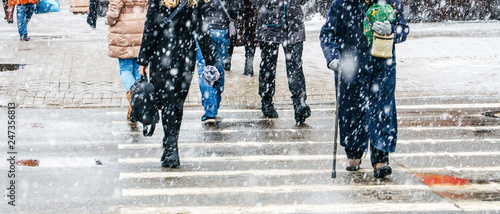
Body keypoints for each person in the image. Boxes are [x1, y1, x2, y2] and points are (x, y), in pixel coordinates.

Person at [319, 0, 409, 178]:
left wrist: (391, 29)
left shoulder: (390, 2)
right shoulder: (342, 4)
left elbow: (403, 29)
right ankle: (354, 153)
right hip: (351, 65)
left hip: (382, 65)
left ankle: (380, 158)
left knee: (382, 108)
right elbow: (328, 33)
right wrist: (332, 57)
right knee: (352, 108)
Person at [137, 0, 216, 168]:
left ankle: (170, 146)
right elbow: (203, 31)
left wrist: (143, 59)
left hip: (162, 54)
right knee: (176, 103)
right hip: (185, 56)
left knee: (167, 102)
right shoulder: (193, 2)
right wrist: (211, 61)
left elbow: (150, 28)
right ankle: (171, 144)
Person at [250, 0, 311, 124]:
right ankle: (266, 99)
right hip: (269, 26)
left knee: (295, 65)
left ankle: (299, 102)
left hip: (293, 24)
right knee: (268, 65)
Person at [193, 0, 237, 124]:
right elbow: (236, 8)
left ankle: (210, 110)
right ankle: (215, 102)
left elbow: (194, 8)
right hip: (223, 30)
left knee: (205, 69)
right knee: (218, 67)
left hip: (205, 29)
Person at [106, 0, 148, 121]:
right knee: (137, 68)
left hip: (123, 30)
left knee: (125, 68)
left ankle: (133, 97)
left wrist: (109, 20)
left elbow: (114, 10)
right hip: (141, 27)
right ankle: (138, 98)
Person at [225, 0, 258, 76]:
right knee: (248, 38)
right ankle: (248, 68)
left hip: (239, 15)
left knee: (232, 38)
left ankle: (227, 65)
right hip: (243, 16)